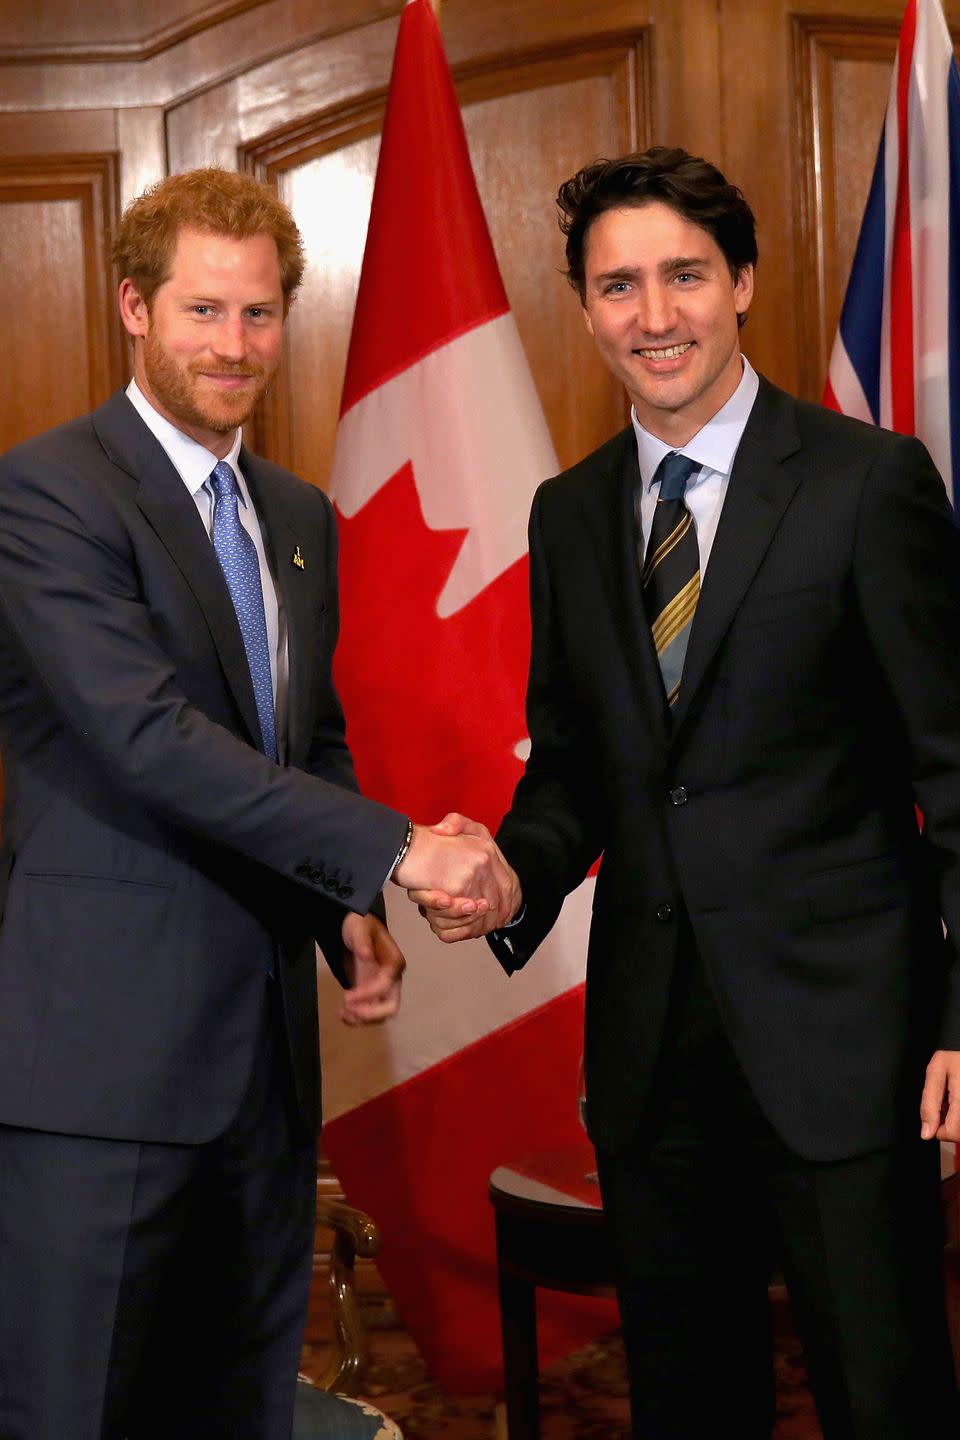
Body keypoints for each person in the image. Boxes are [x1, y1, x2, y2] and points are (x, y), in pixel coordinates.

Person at [414, 147, 960, 1437]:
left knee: (886, 1402)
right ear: (587, 307)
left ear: (744, 284)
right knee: (687, 1407)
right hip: (656, 1068)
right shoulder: (568, 512)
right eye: (618, 286)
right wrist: (510, 870)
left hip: (848, 1050)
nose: (653, 317)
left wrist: (959, 1019)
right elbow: (579, 775)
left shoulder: (866, 484)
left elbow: (955, 769)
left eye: (683, 277)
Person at [0, 167, 513, 1440]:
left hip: (265, 1072)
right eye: (203, 312)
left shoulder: (294, 514)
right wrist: (397, 850)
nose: (235, 346)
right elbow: (151, 739)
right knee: (79, 1410)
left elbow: (303, 742)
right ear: (133, 307)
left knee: (236, 1410)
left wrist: (344, 909)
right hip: (104, 1069)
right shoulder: (49, 492)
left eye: (262, 314)